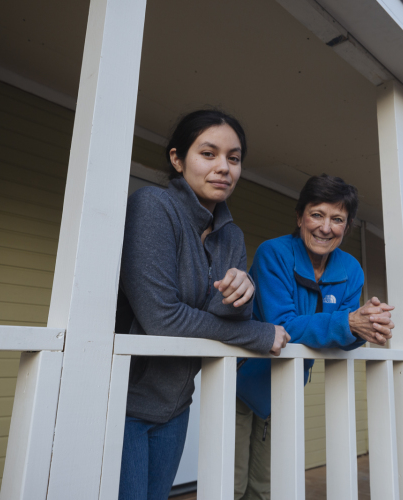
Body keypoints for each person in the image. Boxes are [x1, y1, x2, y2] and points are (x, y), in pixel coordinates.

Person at [115, 110, 290, 500]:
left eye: (233, 157)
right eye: (208, 154)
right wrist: (258, 333)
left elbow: (219, 314)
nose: (223, 168)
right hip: (124, 404)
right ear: (177, 159)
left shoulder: (231, 234)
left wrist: (243, 292)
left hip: (175, 405)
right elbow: (163, 317)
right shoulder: (152, 207)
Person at [234, 174, 395, 500]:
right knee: (231, 484)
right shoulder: (273, 253)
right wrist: (348, 323)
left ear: (347, 228)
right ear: (299, 217)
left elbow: (347, 333)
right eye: (317, 214)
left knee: (266, 486)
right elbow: (283, 326)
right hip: (238, 381)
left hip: (285, 387)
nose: (325, 227)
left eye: (337, 219)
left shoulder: (351, 269)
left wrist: (368, 325)